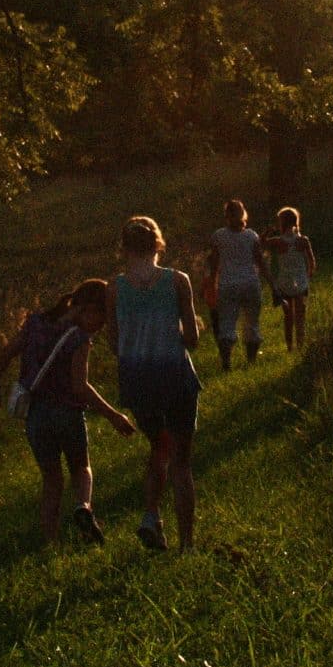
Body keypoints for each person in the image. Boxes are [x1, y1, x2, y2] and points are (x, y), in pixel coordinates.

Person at [0, 280, 135, 546]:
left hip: (36, 417)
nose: (100, 328)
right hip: (67, 415)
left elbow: (7, 352)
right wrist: (114, 416)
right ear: (88, 309)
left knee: (51, 480)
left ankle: (50, 541)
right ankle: (84, 507)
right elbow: (80, 387)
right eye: (101, 320)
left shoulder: (34, 324)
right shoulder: (79, 339)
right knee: (81, 468)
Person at [111, 215, 202, 551]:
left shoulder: (114, 289)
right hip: (175, 378)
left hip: (138, 383)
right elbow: (191, 340)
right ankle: (187, 544)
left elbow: (114, 343)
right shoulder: (178, 281)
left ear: (124, 249)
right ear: (158, 245)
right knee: (181, 461)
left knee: (158, 447)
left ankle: (151, 516)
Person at [203, 199, 265, 369]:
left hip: (228, 285)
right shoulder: (252, 236)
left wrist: (211, 286)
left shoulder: (219, 236)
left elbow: (214, 264)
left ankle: (227, 363)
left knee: (227, 326)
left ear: (226, 216)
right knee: (252, 324)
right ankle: (251, 362)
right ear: (243, 214)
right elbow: (260, 262)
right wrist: (272, 285)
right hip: (250, 283)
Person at [263, 206, 318, 353]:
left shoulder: (278, 241)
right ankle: (300, 345)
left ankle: (289, 348)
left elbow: (260, 243)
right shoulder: (303, 241)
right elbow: (312, 262)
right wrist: (308, 276)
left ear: (282, 223)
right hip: (300, 281)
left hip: (284, 282)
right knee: (300, 317)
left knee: (288, 317)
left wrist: (267, 231)